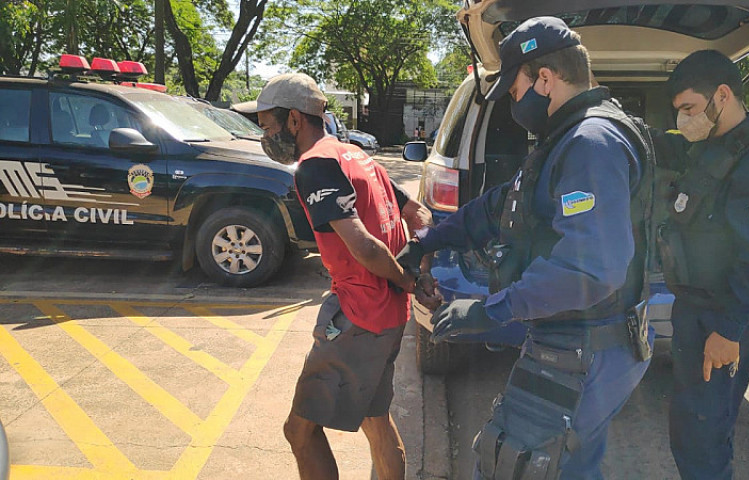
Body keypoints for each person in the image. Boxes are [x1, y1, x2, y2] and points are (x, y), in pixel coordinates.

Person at [396, 17, 655, 480]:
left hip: (586, 347)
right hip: (578, 342)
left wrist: (492, 310)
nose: (514, 104)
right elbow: (500, 207)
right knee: (569, 466)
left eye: (514, 91)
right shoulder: (564, 141)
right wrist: (427, 240)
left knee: (513, 464)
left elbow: (592, 268)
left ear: (545, 79)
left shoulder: (590, 143)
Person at [235, 72, 427, 480]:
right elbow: (418, 214)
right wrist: (416, 272)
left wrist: (409, 281)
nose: (266, 137)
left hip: (359, 317)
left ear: (294, 120)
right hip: (390, 315)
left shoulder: (316, 166)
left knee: (299, 430)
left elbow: (364, 247)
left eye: (268, 126)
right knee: (376, 422)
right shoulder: (356, 155)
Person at [657, 50, 749, 479]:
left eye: (689, 109)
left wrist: (729, 329)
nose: (684, 120)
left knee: (705, 439)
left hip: (721, 321)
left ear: (722, 94)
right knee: (691, 430)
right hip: (696, 313)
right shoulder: (712, 148)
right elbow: (668, 147)